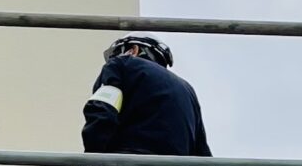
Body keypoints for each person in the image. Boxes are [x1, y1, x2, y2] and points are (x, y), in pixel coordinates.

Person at [81, 34, 210, 158]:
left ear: (134, 50)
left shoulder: (121, 64)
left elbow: (102, 108)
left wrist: (92, 156)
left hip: (127, 163)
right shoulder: (188, 90)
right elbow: (202, 152)